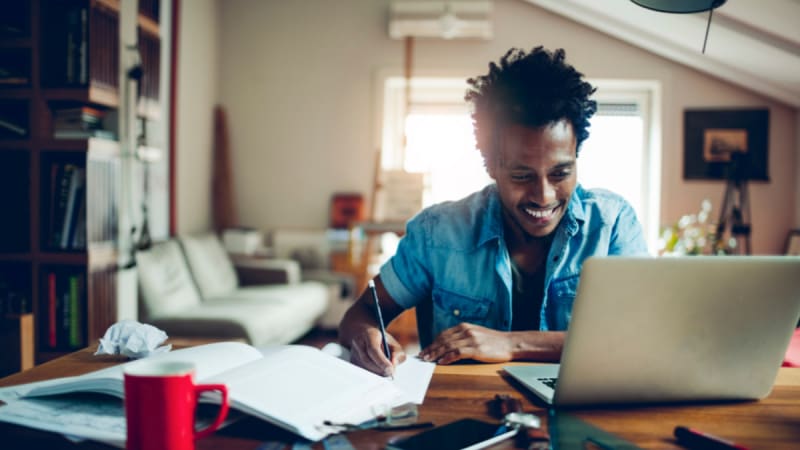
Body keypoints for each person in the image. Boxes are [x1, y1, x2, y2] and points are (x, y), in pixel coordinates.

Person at [339, 46, 648, 377]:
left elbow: (641, 340)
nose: (543, 196)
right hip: (464, 413)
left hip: (582, 409)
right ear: (491, 166)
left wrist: (513, 343)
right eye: (521, 176)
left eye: (560, 173)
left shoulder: (613, 224)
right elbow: (362, 314)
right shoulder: (437, 233)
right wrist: (368, 338)